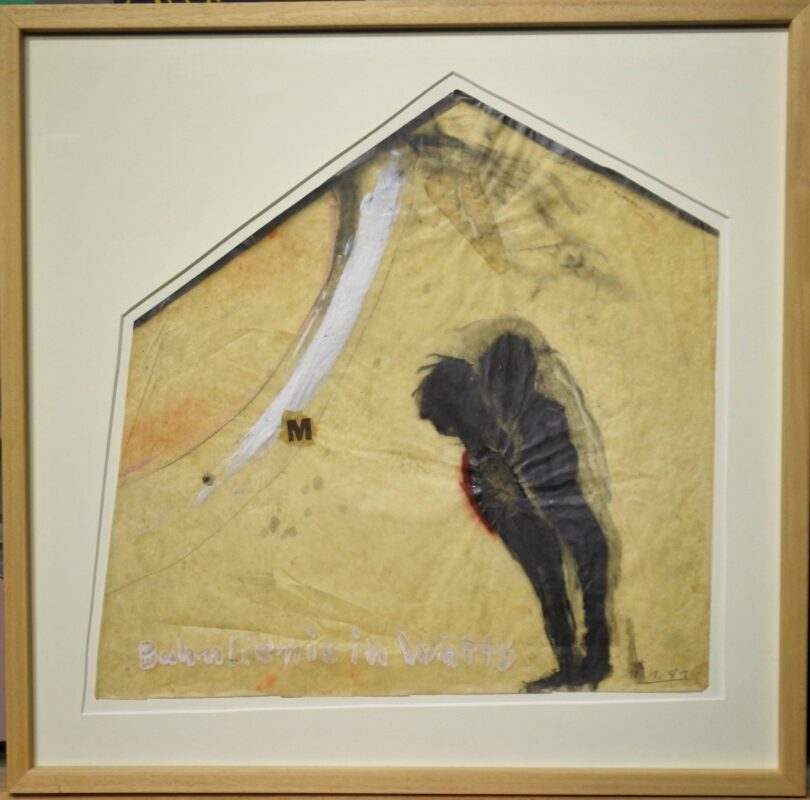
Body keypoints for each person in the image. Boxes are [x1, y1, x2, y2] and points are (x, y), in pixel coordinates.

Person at [415, 332, 611, 690]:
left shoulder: (528, 421)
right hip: (533, 522)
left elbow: (548, 479)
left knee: (573, 584)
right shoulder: (488, 438)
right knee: (553, 589)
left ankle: (587, 664)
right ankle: (573, 666)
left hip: (558, 520)